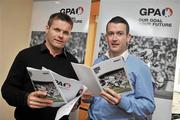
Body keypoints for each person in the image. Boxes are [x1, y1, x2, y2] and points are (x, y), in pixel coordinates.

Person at [1, 12, 80, 120]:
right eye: (56, 30)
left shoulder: (73, 62)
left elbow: (76, 96)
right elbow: (7, 90)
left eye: (66, 32)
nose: (61, 35)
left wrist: (75, 104)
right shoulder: (26, 55)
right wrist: (26, 98)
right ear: (47, 29)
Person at [82, 16, 156, 120]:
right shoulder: (98, 62)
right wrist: (88, 98)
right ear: (106, 37)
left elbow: (149, 107)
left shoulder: (140, 67)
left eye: (120, 33)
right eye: (111, 33)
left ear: (128, 37)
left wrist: (121, 101)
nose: (114, 38)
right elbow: (96, 98)